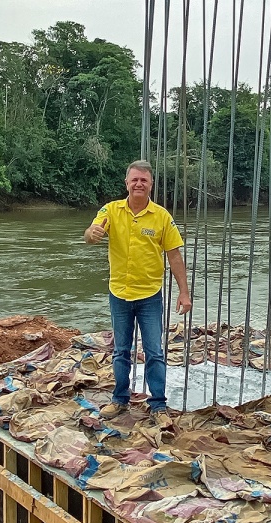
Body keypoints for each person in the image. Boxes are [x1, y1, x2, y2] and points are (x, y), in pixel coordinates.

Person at [84, 160, 192, 424]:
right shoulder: (111, 210)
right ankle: (119, 399)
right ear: (127, 183)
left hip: (149, 296)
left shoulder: (162, 217)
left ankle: (158, 404)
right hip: (119, 293)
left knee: (154, 351)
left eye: (144, 180)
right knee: (121, 350)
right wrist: (92, 234)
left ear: (151, 184)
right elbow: (91, 233)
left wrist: (184, 292)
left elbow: (174, 256)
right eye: (134, 180)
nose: (138, 184)